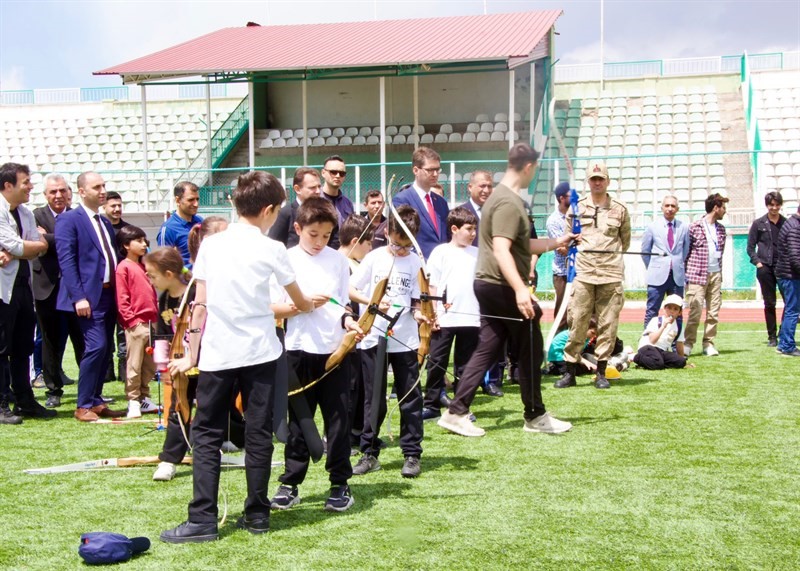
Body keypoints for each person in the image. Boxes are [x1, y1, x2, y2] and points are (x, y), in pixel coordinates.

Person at [160, 171, 313, 543]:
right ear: (271, 209)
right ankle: (257, 514)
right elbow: (298, 300)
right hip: (260, 353)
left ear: (235, 203)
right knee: (259, 434)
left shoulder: (212, 245)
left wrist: (189, 354)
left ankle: (202, 520)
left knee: (207, 434)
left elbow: (200, 306)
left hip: (218, 354)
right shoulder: (273, 249)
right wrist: (310, 304)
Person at [437, 144, 574, 438]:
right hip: (500, 285)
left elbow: (519, 245)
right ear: (527, 167)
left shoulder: (498, 199)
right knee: (531, 348)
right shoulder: (510, 203)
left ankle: (456, 411)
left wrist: (557, 242)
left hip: (488, 284)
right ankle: (535, 414)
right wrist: (521, 290)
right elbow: (501, 249)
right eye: (534, 170)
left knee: (487, 347)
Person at [270, 197, 363, 513]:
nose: (320, 242)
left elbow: (341, 304)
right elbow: (274, 308)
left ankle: (340, 483)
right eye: (313, 235)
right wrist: (304, 304)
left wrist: (349, 321)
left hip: (335, 351)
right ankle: (290, 483)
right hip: (297, 352)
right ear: (297, 228)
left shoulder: (337, 260)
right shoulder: (284, 258)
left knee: (338, 420)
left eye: (326, 236)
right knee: (299, 421)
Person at [350, 205, 427, 478]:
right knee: (374, 399)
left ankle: (412, 453)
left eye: (407, 245)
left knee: (410, 396)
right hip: (373, 336)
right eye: (396, 243)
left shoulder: (416, 261)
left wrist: (419, 313)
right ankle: (369, 452)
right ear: (388, 231)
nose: (401, 250)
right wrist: (373, 301)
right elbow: (351, 288)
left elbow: (419, 297)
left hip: (404, 338)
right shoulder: (373, 258)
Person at [55, 171, 126, 422]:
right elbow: (67, 260)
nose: (103, 190)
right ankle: (83, 404)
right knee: (96, 347)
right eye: (97, 186)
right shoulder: (69, 220)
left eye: (104, 185)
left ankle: (96, 400)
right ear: (82, 191)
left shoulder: (104, 222)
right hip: (88, 297)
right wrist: (78, 297)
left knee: (105, 348)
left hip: (109, 294)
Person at [555, 161, 631, 390]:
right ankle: (570, 371)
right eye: (593, 179)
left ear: (607, 181)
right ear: (588, 182)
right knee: (577, 321)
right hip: (584, 272)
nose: (597, 182)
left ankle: (601, 372)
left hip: (610, 273)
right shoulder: (576, 208)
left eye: (601, 178)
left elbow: (624, 242)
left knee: (608, 324)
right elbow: (568, 237)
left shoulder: (620, 208)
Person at [0, 163, 54, 424]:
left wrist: (27, 248)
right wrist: (27, 247)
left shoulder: (25, 213)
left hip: (23, 287)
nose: (30, 187)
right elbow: (17, 245)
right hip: (2, 291)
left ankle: (25, 400)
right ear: (8, 185)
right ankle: (1, 404)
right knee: (1, 349)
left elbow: (36, 247)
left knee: (22, 347)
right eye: (26, 182)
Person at [422, 207, 481, 421]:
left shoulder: (477, 253)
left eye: (475, 229)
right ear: (454, 229)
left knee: (465, 365)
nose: (473, 233)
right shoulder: (441, 252)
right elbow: (433, 286)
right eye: (469, 229)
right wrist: (434, 314)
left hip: (472, 317)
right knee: (437, 361)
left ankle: (461, 407)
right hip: (445, 318)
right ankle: (431, 404)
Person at [31, 173, 84, 408]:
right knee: (50, 342)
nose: (58, 195)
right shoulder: (35, 215)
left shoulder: (78, 216)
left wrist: (50, 238)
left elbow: (77, 244)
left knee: (83, 340)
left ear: (69, 192)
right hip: (47, 289)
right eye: (53, 191)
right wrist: (60, 240)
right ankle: (54, 390)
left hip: (76, 289)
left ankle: (90, 390)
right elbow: (38, 244)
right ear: (45, 195)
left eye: (62, 190)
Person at [337, 215, 374, 448]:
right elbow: (344, 294)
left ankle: (356, 430)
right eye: (368, 244)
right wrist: (371, 300)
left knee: (358, 387)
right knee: (347, 388)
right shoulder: (339, 262)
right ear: (354, 241)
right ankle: (343, 435)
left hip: (359, 336)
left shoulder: (355, 263)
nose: (370, 249)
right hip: (343, 335)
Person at [115, 225, 159, 418]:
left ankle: (144, 396)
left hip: (152, 322)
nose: (144, 244)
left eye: (144, 241)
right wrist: (130, 320)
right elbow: (122, 297)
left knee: (149, 364)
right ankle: (133, 399)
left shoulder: (144, 266)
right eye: (139, 241)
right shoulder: (124, 267)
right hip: (136, 323)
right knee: (134, 363)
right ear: (126, 245)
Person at [683, 193, 728, 357]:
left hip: (715, 274)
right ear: (716, 208)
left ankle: (708, 343)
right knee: (695, 310)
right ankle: (688, 344)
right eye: (723, 207)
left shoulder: (721, 229)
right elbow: (686, 253)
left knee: (713, 312)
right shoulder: (694, 227)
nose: (725, 211)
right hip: (697, 274)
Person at [641, 194, 690, 329]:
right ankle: (648, 344)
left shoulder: (684, 227)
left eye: (673, 206)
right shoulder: (652, 227)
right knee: (652, 310)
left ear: (677, 209)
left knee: (677, 312)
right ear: (662, 207)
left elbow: (684, 251)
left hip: (676, 277)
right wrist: (653, 267)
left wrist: (676, 265)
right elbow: (645, 252)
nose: (670, 208)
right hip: (657, 277)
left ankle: (675, 347)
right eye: (667, 205)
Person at [392, 147, 449, 259]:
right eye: (430, 170)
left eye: (438, 169)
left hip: (441, 266)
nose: (435, 174)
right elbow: (401, 237)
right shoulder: (402, 200)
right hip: (417, 266)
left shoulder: (441, 202)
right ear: (415, 170)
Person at [747, 191, 786, 347]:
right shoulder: (758, 223)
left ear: (780, 205)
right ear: (767, 205)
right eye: (771, 205)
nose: (774, 208)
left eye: (777, 205)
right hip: (765, 268)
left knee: (790, 302)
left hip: (784, 268)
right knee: (769, 303)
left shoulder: (786, 223)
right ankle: (772, 337)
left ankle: (784, 333)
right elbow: (750, 247)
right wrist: (758, 263)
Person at [103, 190, 130, 382]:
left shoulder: (128, 231)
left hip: (123, 287)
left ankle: (124, 369)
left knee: (123, 330)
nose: (117, 209)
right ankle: (106, 371)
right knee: (105, 330)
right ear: (104, 207)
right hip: (104, 288)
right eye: (113, 205)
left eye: (119, 205)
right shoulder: (101, 229)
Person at [633, 294, 692, 370]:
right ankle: (635, 357)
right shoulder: (656, 320)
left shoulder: (679, 326)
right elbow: (652, 340)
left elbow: (679, 344)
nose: (672, 311)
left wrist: (683, 362)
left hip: (662, 351)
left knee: (680, 361)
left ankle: (648, 362)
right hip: (648, 347)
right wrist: (663, 326)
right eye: (669, 308)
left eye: (675, 309)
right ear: (664, 309)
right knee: (658, 364)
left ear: (680, 312)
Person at [268, 167, 322, 248]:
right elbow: (272, 244)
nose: (318, 191)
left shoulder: (324, 212)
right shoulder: (286, 213)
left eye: (319, 186)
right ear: (297, 189)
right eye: (312, 188)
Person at [774, 202, 800, 357]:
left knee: (791, 309)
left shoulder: (791, 223)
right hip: (791, 276)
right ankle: (787, 346)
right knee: (792, 310)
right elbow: (795, 257)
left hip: (786, 274)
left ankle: (783, 343)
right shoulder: (795, 227)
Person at [157, 181, 203, 266]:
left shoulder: (200, 221)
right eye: (191, 200)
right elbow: (164, 264)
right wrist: (185, 273)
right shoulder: (168, 229)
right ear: (178, 200)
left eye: (197, 199)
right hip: (185, 279)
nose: (196, 204)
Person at [546, 182, 570, 327]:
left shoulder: (578, 216)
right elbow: (561, 247)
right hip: (563, 273)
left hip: (580, 270)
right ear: (562, 198)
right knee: (563, 312)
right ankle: (557, 343)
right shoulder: (553, 221)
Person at [320, 155, 355, 250]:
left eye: (342, 173)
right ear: (323, 173)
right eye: (333, 172)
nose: (338, 176)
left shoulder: (348, 204)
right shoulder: (314, 200)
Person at [458, 170, 493, 247]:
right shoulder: (458, 214)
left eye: (489, 186)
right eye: (482, 186)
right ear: (470, 187)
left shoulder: (497, 212)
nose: (486, 190)